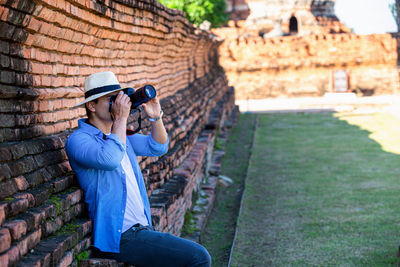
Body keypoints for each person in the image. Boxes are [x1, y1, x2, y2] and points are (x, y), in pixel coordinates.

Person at [65, 71, 211, 267]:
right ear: (91, 105)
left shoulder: (119, 136)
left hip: (141, 229)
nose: (118, 104)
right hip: (120, 236)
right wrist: (120, 119)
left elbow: (158, 147)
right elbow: (110, 159)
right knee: (199, 257)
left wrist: (155, 117)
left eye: (119, 98)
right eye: (111, 99)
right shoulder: (78, 140)